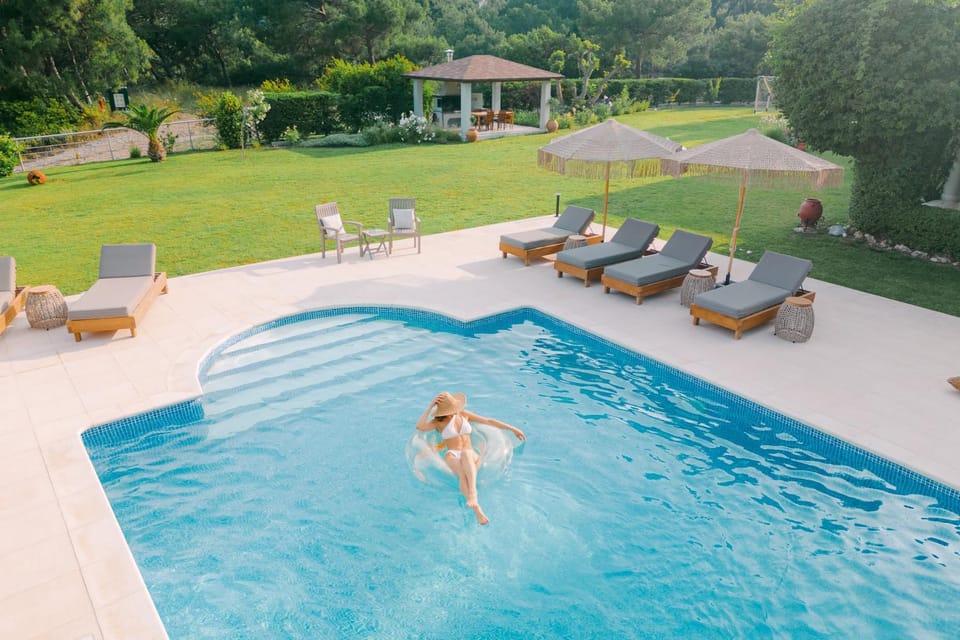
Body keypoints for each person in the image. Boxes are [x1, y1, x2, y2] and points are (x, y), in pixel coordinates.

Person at [415, 391, 525, 525]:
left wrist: (512, 428)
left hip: (470, 453)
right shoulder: (438, 422)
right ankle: (477, 508)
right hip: (453, 454)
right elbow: (420, 426)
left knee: (467, 453)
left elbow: (488, 421)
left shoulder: (464, 415)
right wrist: (430, 406)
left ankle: (473, 494)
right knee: (462, 473)